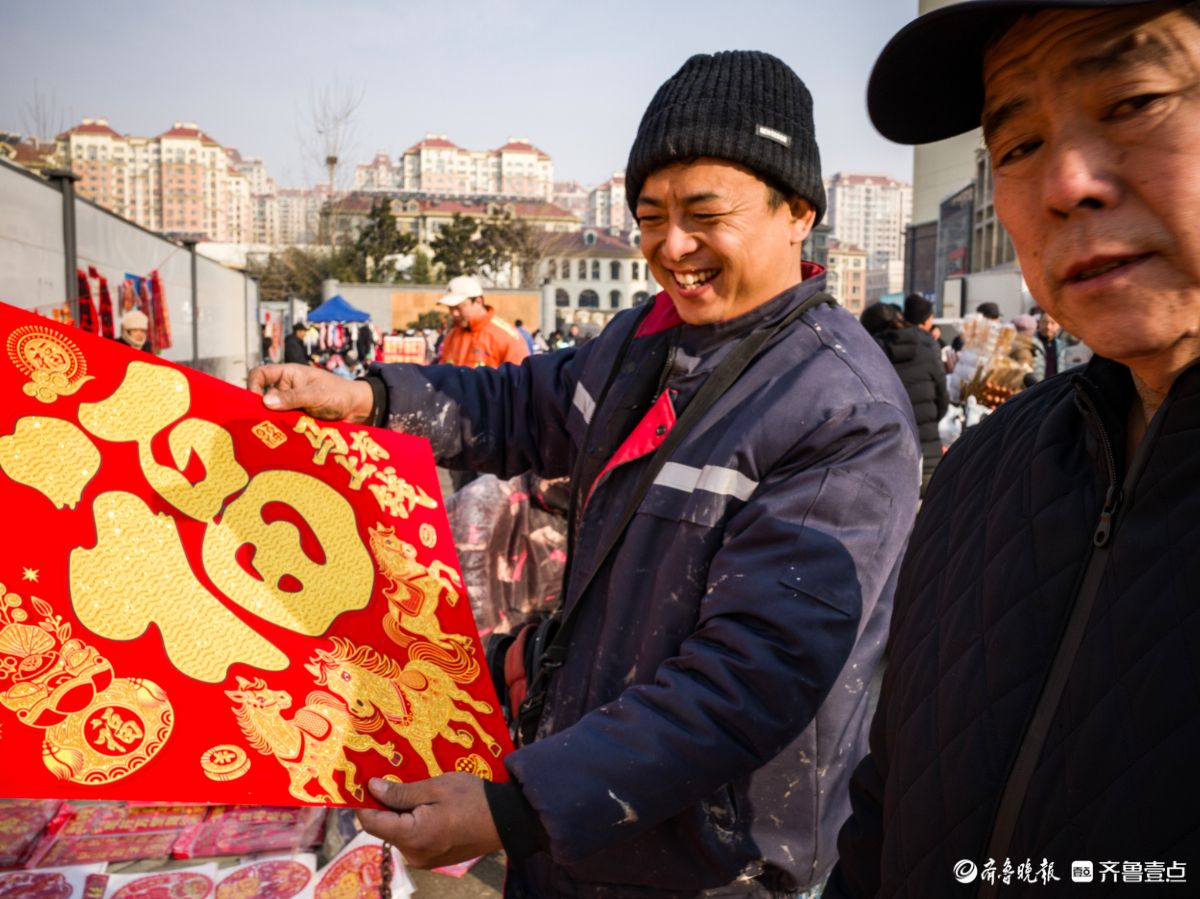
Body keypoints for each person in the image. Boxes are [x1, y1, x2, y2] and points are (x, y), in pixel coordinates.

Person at [249, 49, 920, 897]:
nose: (673, 247)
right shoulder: (647, 340)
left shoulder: (839, 408)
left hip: (708, 862)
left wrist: (514, 809)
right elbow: (521, 404)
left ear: (797, 213)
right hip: (577, 820)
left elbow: (753, 677)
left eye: (704, 213)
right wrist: (368, 395)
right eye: (650, 214)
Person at [826, 2, 1200, 896]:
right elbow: (884, 810)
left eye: (1136, 99)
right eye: (1020, 145)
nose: (1067, 181)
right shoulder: (981, 477)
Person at [861, 303, 948, 496]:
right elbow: (942, 401)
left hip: (885, 468)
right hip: (930, 461)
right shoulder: (926, 350)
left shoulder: (865, 357)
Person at [437, 275, 529, 368]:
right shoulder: (451, 336)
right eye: (450, 308)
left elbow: (519, 379)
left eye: (458, 307)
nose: (454, 313)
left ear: (478, 301)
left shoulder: (507, 337)